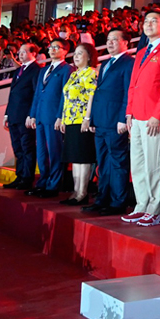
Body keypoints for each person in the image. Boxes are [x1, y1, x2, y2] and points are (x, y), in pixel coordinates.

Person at [123, 11, 160, 227]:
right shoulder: (141, 52)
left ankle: (155, 208)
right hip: (137, 116)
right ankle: (141, 205)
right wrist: (129, 112)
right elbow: (133, 85)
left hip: (154, 117)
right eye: (146, 21)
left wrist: (158, 115)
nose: (148, 24)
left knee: (154, 164)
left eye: (154, 21)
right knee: (138, 164)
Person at [81, 29, 134, 216]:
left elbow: (127, 92)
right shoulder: (105, 63)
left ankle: (118, 202)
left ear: (125, 43)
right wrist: (93, 118)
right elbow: (98, 92)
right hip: (101, 121)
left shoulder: (129, 63)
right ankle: (102, 199)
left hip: (115, 121)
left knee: (117, 162)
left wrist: (122, 118)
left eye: (114, 39)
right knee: (102, 162)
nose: (110, 43)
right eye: (108, 39)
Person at [27, 39, 73, 198]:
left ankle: (53, 185)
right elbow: (37, 94)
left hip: (53, 117)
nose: (52, 50)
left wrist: (60, 116)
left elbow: (65, 95)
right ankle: (42, 182)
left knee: (54, 151)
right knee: (42, 152)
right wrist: (32, 114)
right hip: (40, 115)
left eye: (56, 47)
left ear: (65, 51)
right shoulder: (44, 70)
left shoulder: (67, 69)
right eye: (50, 47)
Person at [58, 43, 99, 206]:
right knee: (74, 157)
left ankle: (82, 192)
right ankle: (76, 191)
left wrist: (88, 118)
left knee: (83, 157)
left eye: (80, 53)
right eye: (75, 53)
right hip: (70, 120)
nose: (76, 56)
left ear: (89, 56)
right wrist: (63, 118)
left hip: (82, 120)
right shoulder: (74, 74)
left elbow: (92, 96)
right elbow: (67, 98)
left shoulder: (91, 73)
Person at [2, 44, 41, 190]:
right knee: (17, 147)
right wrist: (7, 114)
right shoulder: (19, 70)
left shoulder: (36, 70)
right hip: (14, 114)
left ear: (33, 53)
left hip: (25, 116)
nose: (20, 54)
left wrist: (32, 114)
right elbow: (12, 93)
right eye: (19, 52)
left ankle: (27, 178)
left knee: (27, 147)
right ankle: (19, 176)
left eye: (24, 52)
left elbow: (36, 94)